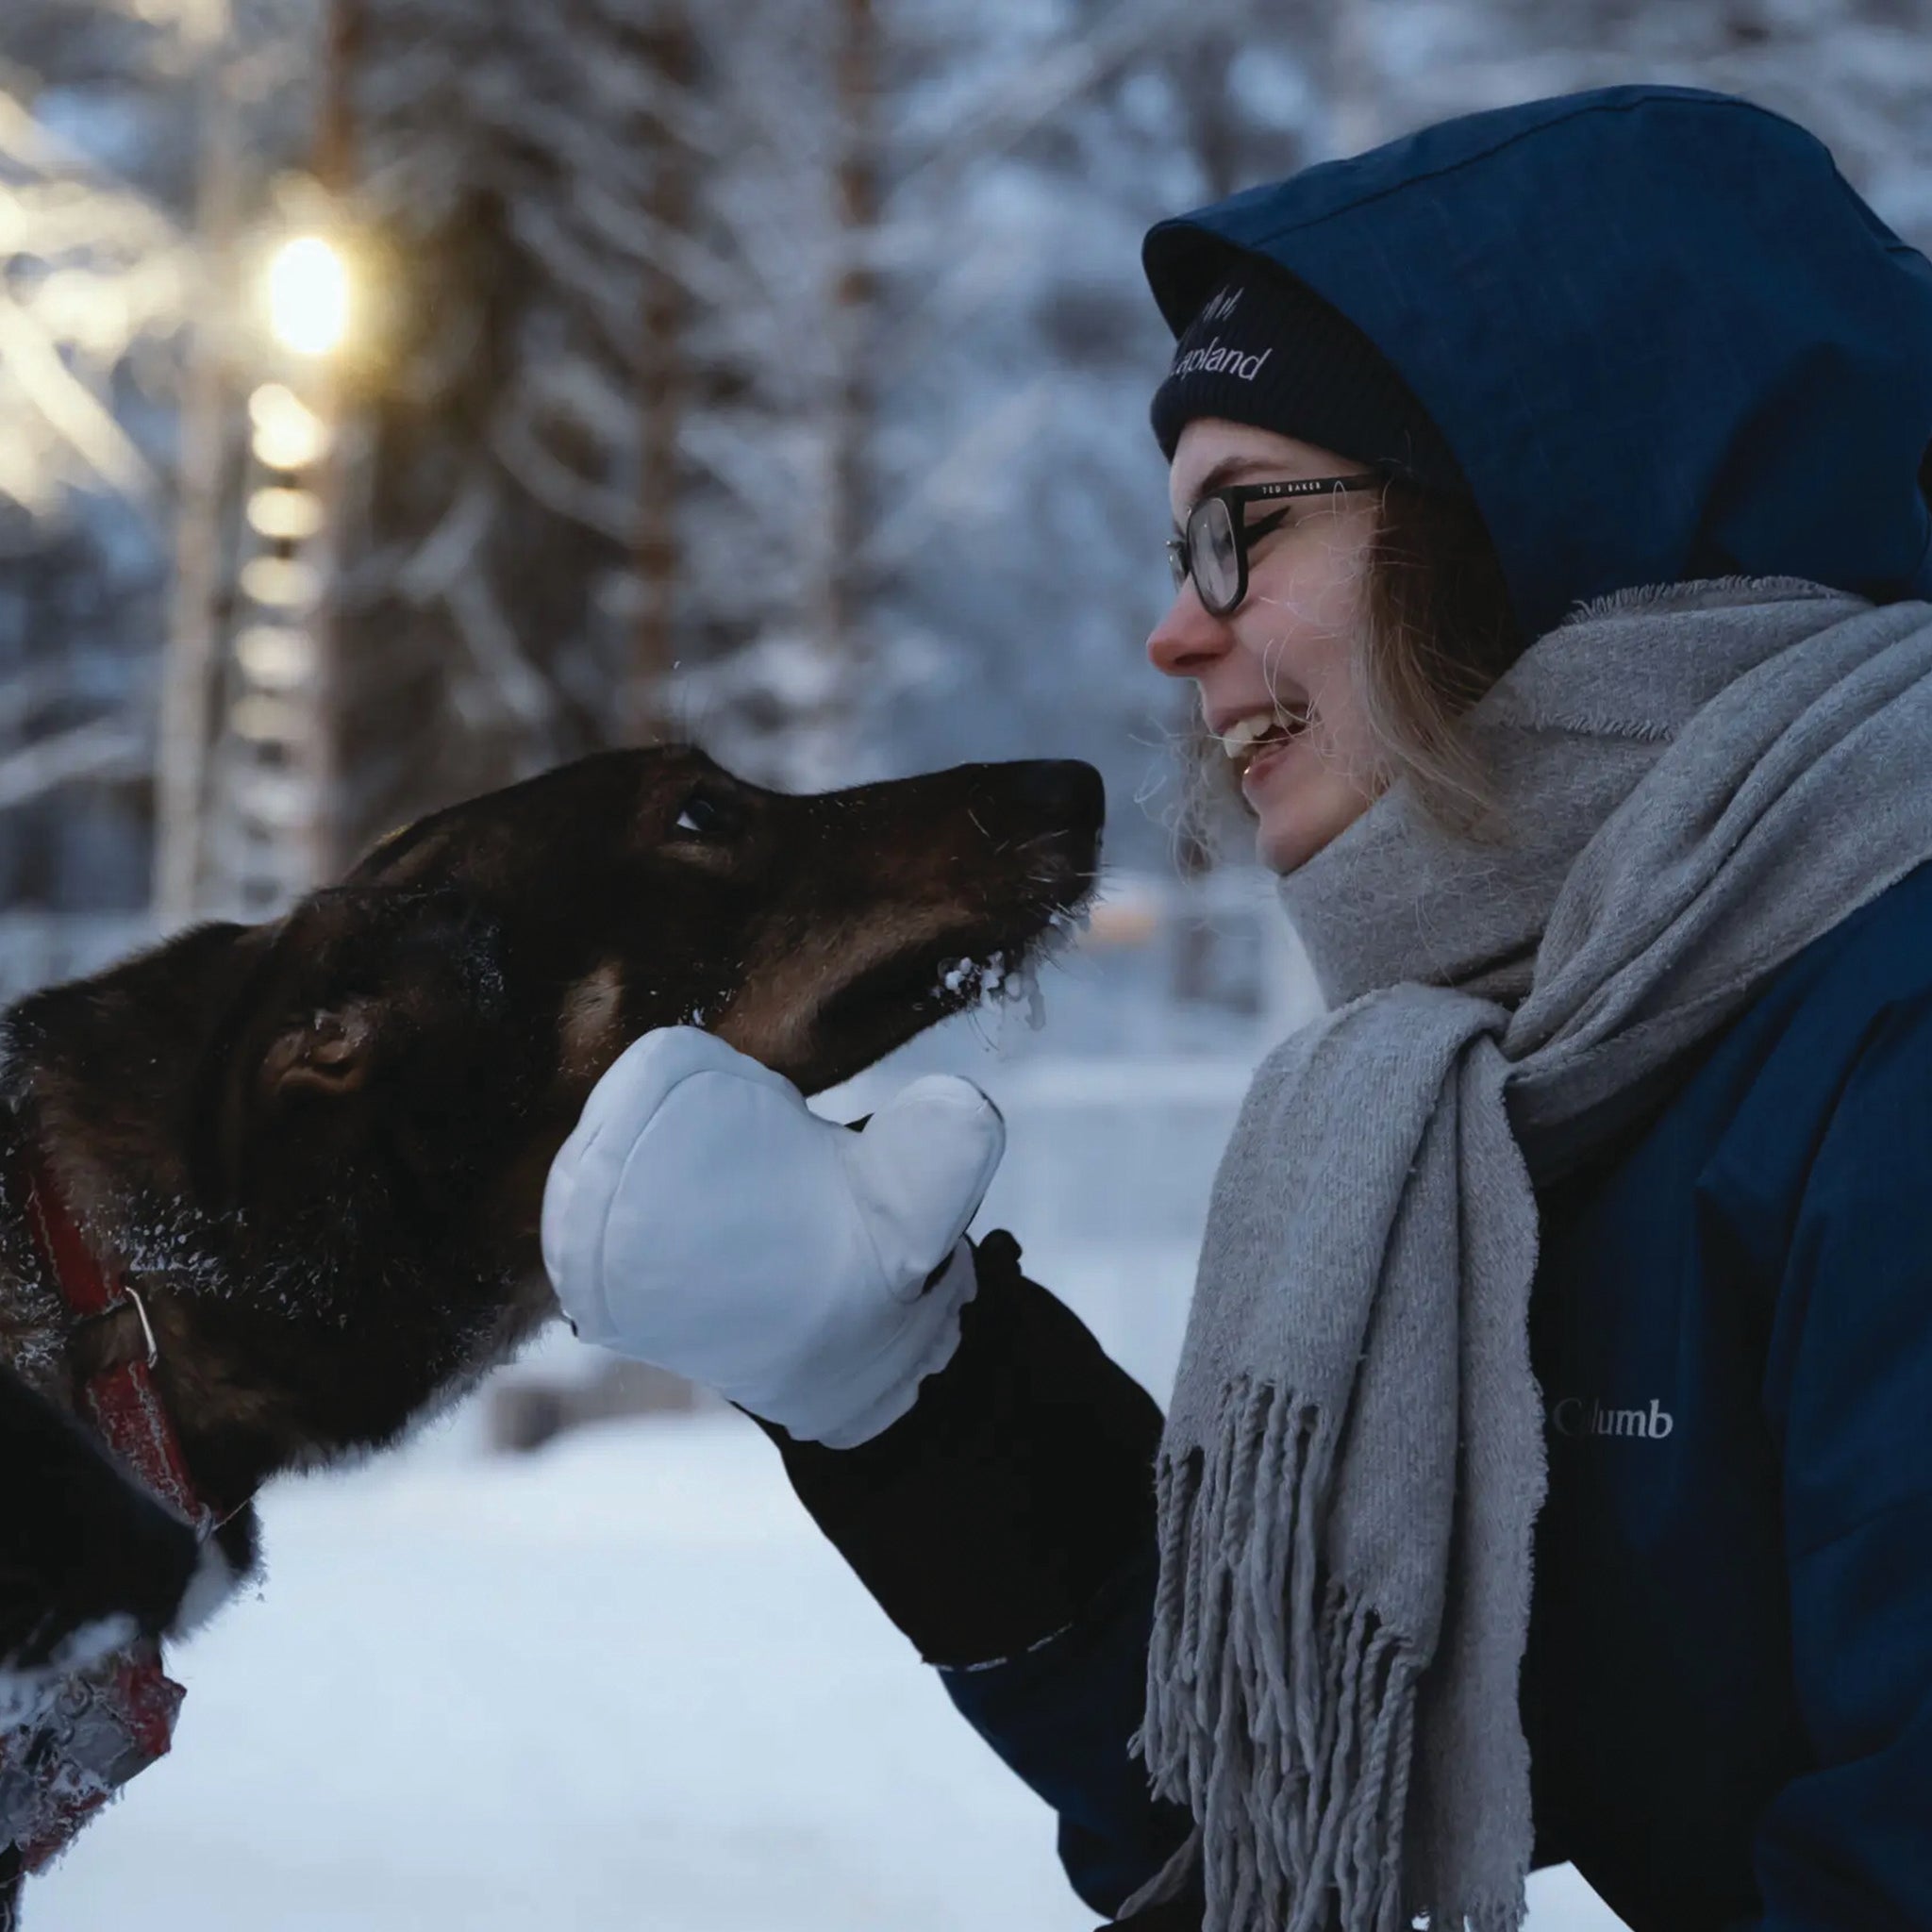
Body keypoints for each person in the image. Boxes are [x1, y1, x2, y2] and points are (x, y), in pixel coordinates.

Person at [541, 83, 1932, 1932]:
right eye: (1175, 549)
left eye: (1242, 526)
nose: (1173, 630)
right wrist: (916, 1405)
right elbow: (1302, 1793)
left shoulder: (1885, 1038)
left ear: (1549, 522)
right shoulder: (1560, 1069)